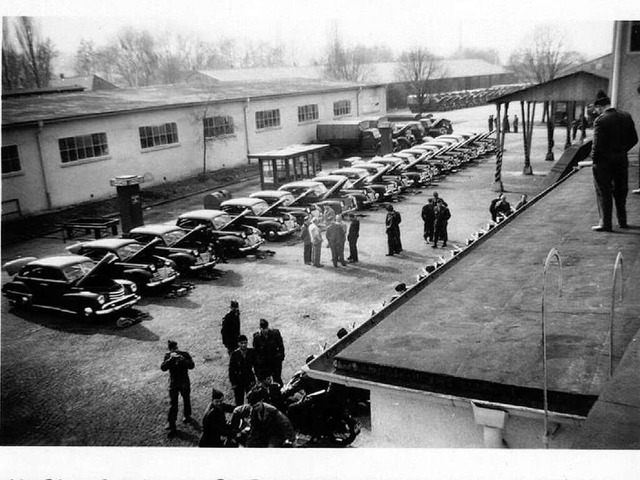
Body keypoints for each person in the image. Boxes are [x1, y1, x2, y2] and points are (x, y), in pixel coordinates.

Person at [591, 90, 638, 231]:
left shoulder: (600, 120)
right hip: (621, 160)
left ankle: (605, 223)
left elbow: (597, 145)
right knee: (620, 191)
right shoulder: (626, 116)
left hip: (603, 163)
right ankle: (622, 221)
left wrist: (595, 159)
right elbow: (634, 139)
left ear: (600, 107)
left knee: (603, 192)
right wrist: (622, 150)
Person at [160, 340, 195, 432]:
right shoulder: (168, 356)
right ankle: (171, 423)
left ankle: (187, 415)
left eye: (176, 348)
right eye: (173, 349)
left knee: (186, 399)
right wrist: (170, 360)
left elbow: (191, 365)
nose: (175, 351)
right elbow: (163, 368)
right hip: (174, 383)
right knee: (173, 403)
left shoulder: (184, 354)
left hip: (184, 381)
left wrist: (183, 360)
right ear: (170, 350)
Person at [253, 318, 285, 385]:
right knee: (267, 382)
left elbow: (281, 347)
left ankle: (280, 393)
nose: (265, 330)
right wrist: (260, 363)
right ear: (260, 328)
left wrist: (280, 358)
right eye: (263, 328)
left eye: (266, 328)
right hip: (265, 364)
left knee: (277, 379)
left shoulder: (275, 333)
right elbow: (256, 353)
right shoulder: (257, 338)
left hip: (275, 362)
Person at [229, 334, 257, 406]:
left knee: (252, 399)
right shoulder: (234, 354)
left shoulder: (251, 352)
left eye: (245, 343)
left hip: (249, 379)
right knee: (239, 402)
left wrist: (256, 379)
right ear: (238, 344)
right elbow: (231, 370)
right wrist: (233, 383)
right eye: (241, 343)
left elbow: (256, 365)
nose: (244, 345)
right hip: (239, 381)